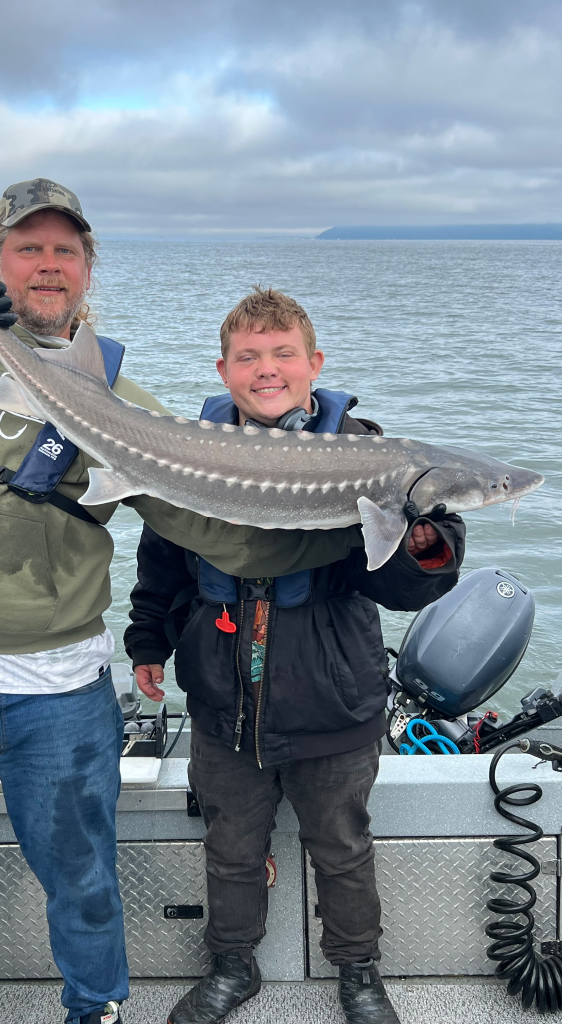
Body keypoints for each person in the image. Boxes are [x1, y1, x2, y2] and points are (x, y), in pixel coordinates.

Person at [0, 187, 362, 1024]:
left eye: (67, 251)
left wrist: (356, 531)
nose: (48, 265)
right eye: (28, 248)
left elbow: (220, 534)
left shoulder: (119, 396)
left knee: (83, 880)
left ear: (88, 270)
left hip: (56, 687)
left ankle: (94, 1010)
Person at [124, 287, 466, 1024]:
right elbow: (163, 559)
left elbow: (408, 588)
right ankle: (231, 965)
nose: (267, 369)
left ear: (315, 364)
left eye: (284, 354)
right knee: (230, 847)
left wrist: (422, 541)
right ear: (223, 371)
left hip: (331, 701)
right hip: (223, 702)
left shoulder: (375, 451)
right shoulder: (189, 449)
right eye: (248, 357)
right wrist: (148, 640)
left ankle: (359, 972)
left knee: (342, 848)